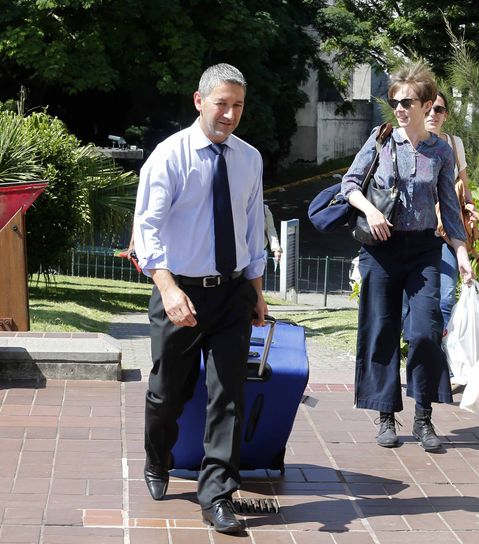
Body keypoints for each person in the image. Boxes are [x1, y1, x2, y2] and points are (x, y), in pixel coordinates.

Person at [133, 63, 267, 534]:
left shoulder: (249, 158)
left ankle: (218, 494)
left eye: (238, 105)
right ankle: (157, 456)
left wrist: (256, 291)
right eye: (221, 104)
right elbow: (146, 231)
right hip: (179, 291)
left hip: (231, 293)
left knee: (229, 394)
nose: (230, 114)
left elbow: (252, 227)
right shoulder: (169, 157)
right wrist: (167, 289)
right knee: (168, 393)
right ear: (199, 101)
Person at [341, 61, 473, 452]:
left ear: (427, 103)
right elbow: (349, 183)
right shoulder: (381, 139)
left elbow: (450, 208)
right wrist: (370, 209)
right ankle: (385, 416)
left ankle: (423, 417)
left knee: (425, 332)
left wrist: (462, 253)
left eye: (408, 101)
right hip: (381, 249)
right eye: (395, 100)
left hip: (423, 249)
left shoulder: (441, 152)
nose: (399, 108)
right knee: (381, 330)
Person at [424, 91, 479, 330]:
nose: (432, 114)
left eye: (439, 109)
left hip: (448, 231)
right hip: (421, 231)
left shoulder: (454, 144)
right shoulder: (411, 142)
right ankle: (421, 348)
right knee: (416, 300)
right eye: (428, 108)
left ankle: (444, 357)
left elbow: (464, 185)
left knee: (446, 297)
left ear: (445, 115)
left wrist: (471, 208)